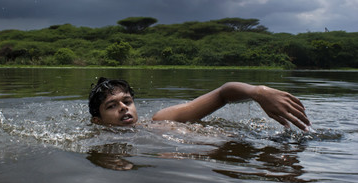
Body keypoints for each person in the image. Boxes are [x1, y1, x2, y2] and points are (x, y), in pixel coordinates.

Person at [88, 77, 311, 131]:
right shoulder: (98, 140)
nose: (124, 108)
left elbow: (224, 93)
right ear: (97, 121)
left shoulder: (161, 120)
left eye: (127, 101)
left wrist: (258, 92)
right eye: (112, 106)